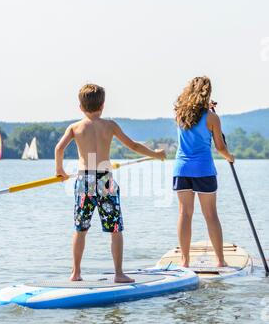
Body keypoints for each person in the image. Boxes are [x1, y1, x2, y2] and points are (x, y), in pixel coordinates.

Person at [55, 83, 166, 282]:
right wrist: (155, 154)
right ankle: (118, 274)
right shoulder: (110, 125)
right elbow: (133, 145)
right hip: (104, 179)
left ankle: (76, 273)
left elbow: (59, 149)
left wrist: (60, 171)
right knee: (115, 229)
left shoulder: (75, 127)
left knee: (80, 229)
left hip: (84, 180)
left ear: (80, 107)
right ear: (103, 105)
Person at [172, 76, 234, 268]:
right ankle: (220, 261)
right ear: (207, 93)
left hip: (181, 169)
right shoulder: (212, 117)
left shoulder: (179, 113)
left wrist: (207, 107)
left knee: (184, 214)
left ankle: (184, 261)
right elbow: (220, 147)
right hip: (203, 170)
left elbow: (194, 114)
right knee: (211, 215)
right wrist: (230, 157)